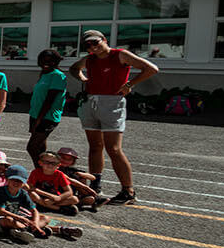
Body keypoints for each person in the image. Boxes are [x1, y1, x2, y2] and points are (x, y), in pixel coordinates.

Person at [68, 29, 159, 205]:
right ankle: (95, 186)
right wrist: (84, 79)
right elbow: (74, 68)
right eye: (88, 45)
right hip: (91, 102)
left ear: (104, 40)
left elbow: (151, 69)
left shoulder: (120, 55)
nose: (93, 47)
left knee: (114, 149)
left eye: (96, 42)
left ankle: (128, 191)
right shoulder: (90, 59)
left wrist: (130, 84)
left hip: (112, 102)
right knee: (95, 146)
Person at [0, 165, 83, 243]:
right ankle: (57, 229)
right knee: (9, 220)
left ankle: (24, 231)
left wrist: (36, 223)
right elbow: (1, 211)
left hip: (18, 219)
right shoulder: (0, 192)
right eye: (13, 180)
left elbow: (34, 210)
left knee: (46, 218)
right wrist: (20, 218)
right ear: (7, 179)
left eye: (20, 181)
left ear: (24, 183)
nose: (16, 183)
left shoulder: (23, 193)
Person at [26, 152, 81, 216]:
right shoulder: (35, 172)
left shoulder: (59, 174)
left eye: (54, 163)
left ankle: (46, 206)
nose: (50, 165)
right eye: (46, 162)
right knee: (32, 194)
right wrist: (50, 196)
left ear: (58, 165)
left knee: (75, 199)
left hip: (54, 197)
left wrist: (59, 197)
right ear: (40, 163)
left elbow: (69, 191)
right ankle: (59, 209)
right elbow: (30, 187)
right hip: (40, 195)